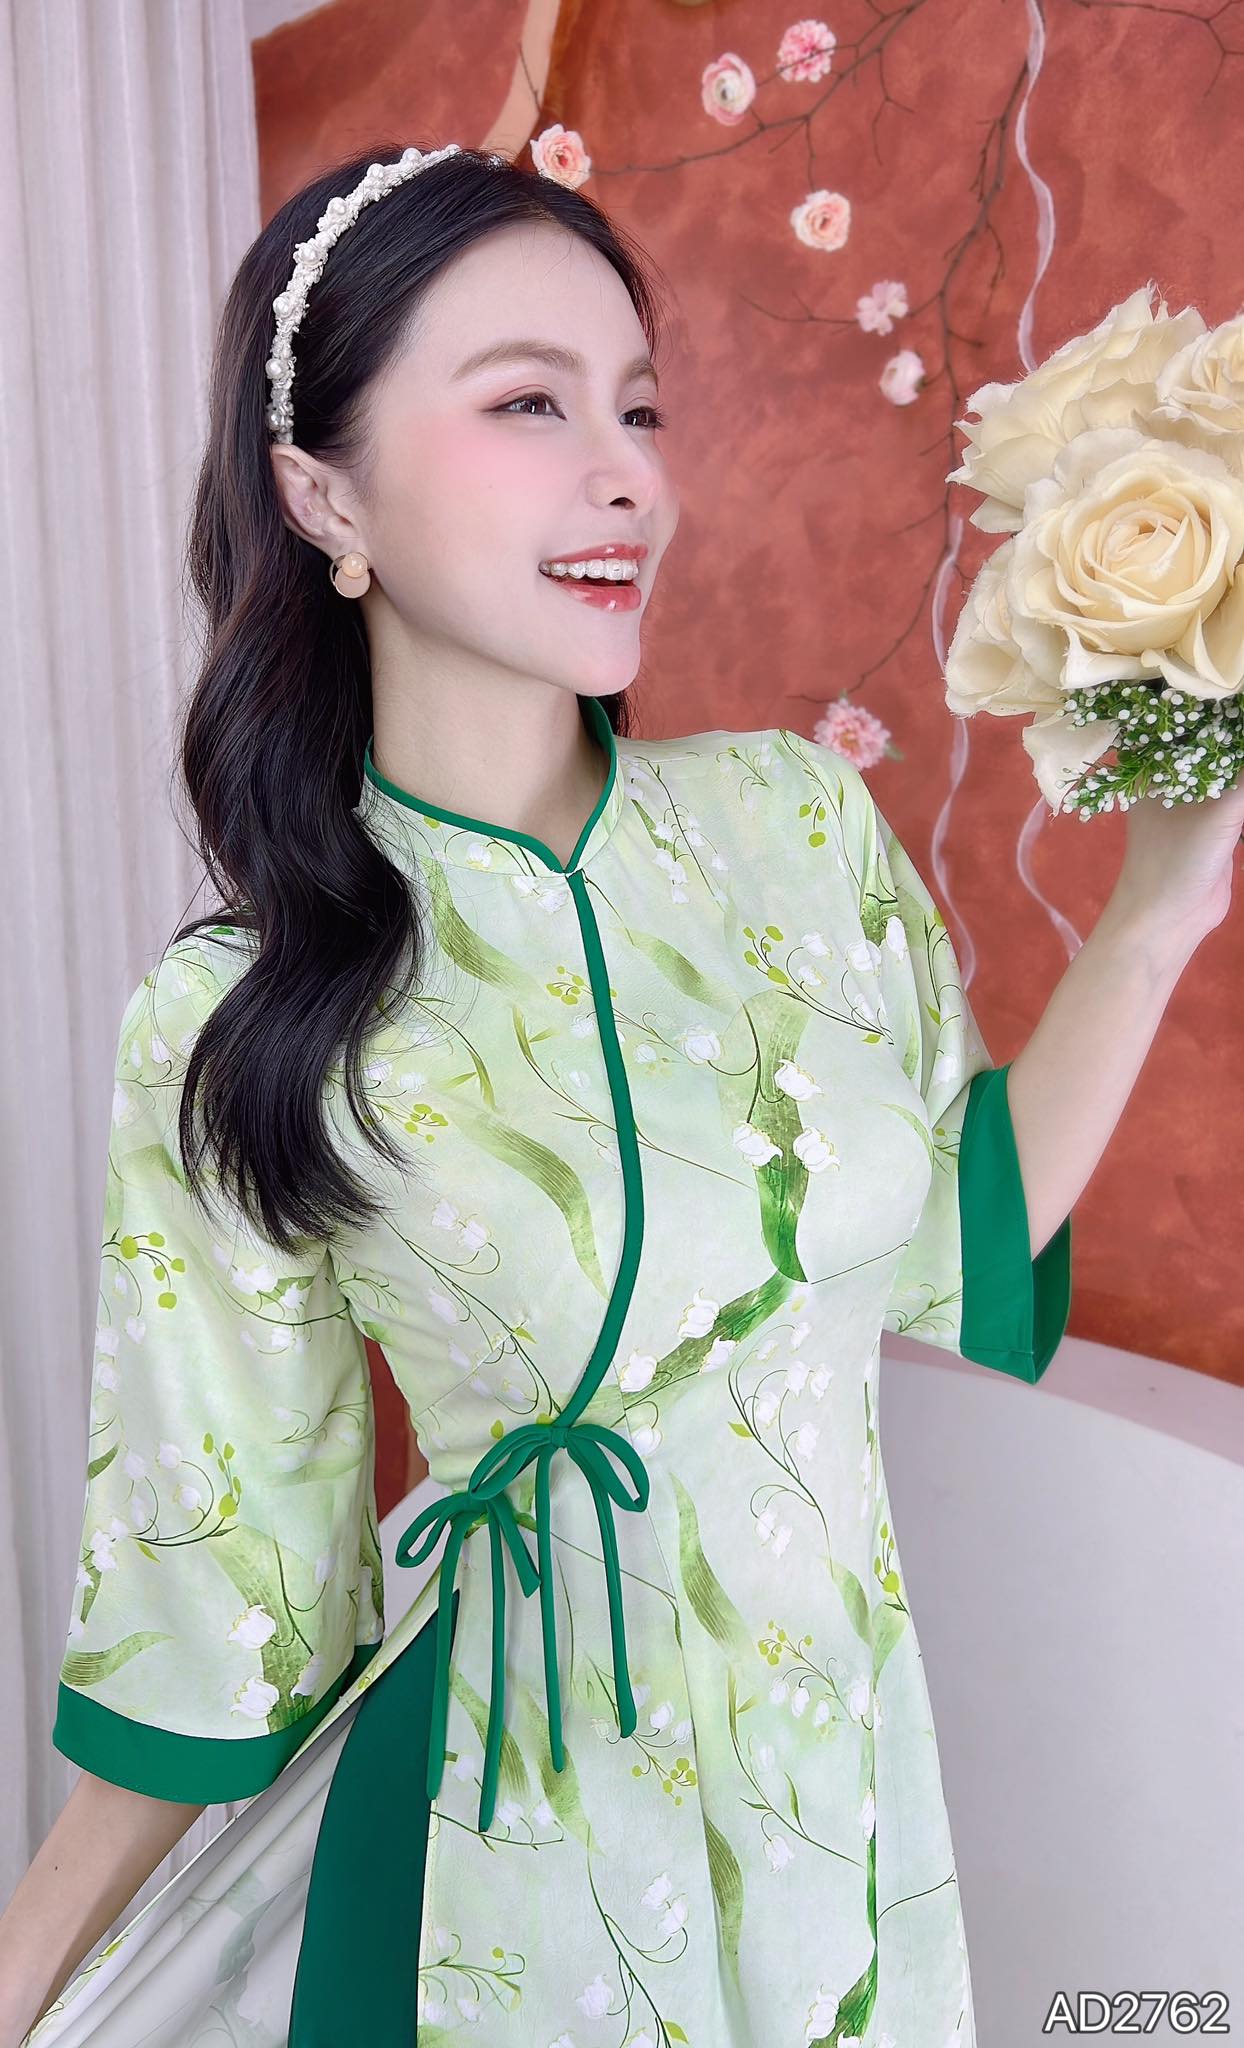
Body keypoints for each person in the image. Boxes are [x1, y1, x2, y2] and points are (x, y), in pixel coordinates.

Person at [0, 138, 1077, 2048]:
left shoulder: (795, 826)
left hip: (841, 1832)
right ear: (324, 493)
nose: (630, 474)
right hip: (488, 1870)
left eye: (639, 408)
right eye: (528, 403)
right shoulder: (238, 1009)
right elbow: (225, 1590)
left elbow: (964, 1247)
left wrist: (1167, 898)